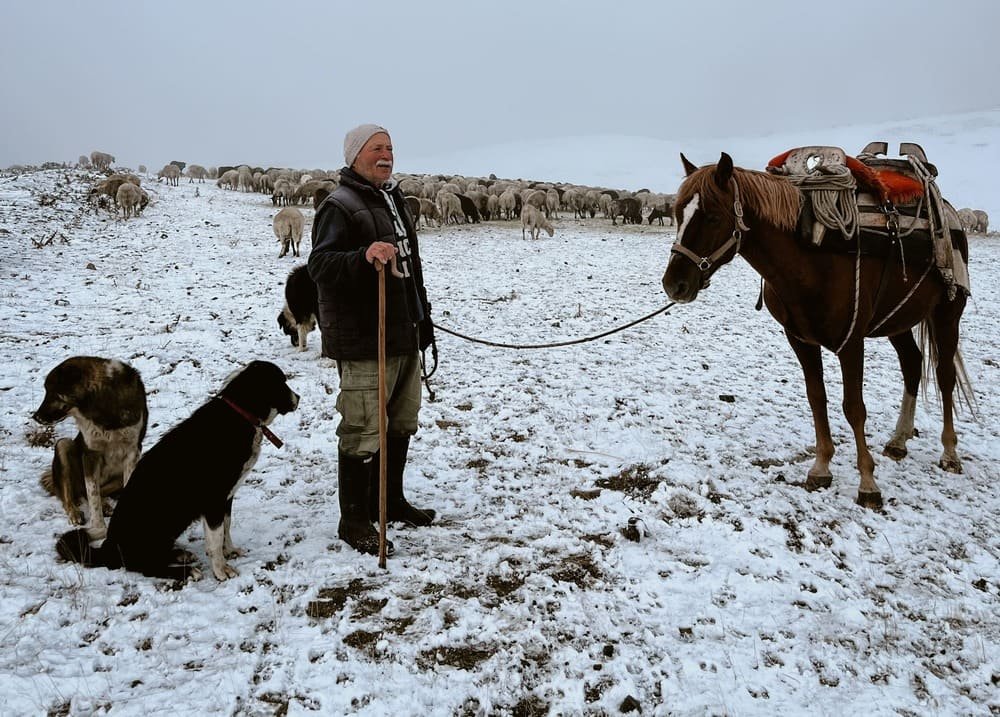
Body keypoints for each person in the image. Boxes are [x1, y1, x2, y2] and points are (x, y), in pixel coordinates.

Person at [308, 124, 436, 555]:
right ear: (355, 155)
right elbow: (320, 265)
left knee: (400, 423)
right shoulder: (339, 206)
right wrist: (362, 257)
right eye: (377, 148)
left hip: (403, 331)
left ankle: (391, 501)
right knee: (363, 428)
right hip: (367, 337)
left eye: (391, 148)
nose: (387, 155)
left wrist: (425, 319)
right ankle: (355, 518)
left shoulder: (393, 198)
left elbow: (411, 266)